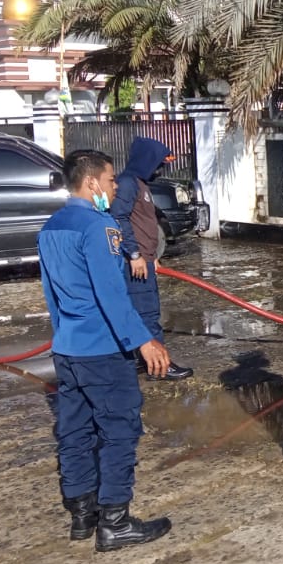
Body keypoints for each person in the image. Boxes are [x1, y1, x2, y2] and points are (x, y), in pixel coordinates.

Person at [38, 149, 173, 552]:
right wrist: (143, 339)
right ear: (92, 182)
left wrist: (64, 339)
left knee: (75, 431)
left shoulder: (51, 228)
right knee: (118, 430)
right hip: (102, 350)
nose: (115, 187)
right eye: (111, 180)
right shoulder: (99, 228)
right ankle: (115, 520)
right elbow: (111, 293)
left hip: (68, 350)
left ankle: (83, 514)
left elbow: (51, 296)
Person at [110, 136, 193, 381]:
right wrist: (134, 255)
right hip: (134, 264)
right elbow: (119, 219)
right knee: (146, 314)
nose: (160, 170)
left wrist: (151, 256)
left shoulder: (139, 184)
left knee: (141, 312)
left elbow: (142, 223)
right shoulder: (127, 183)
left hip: (143, 261)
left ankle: (141, 359)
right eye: (158, 164)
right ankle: (160, 365)